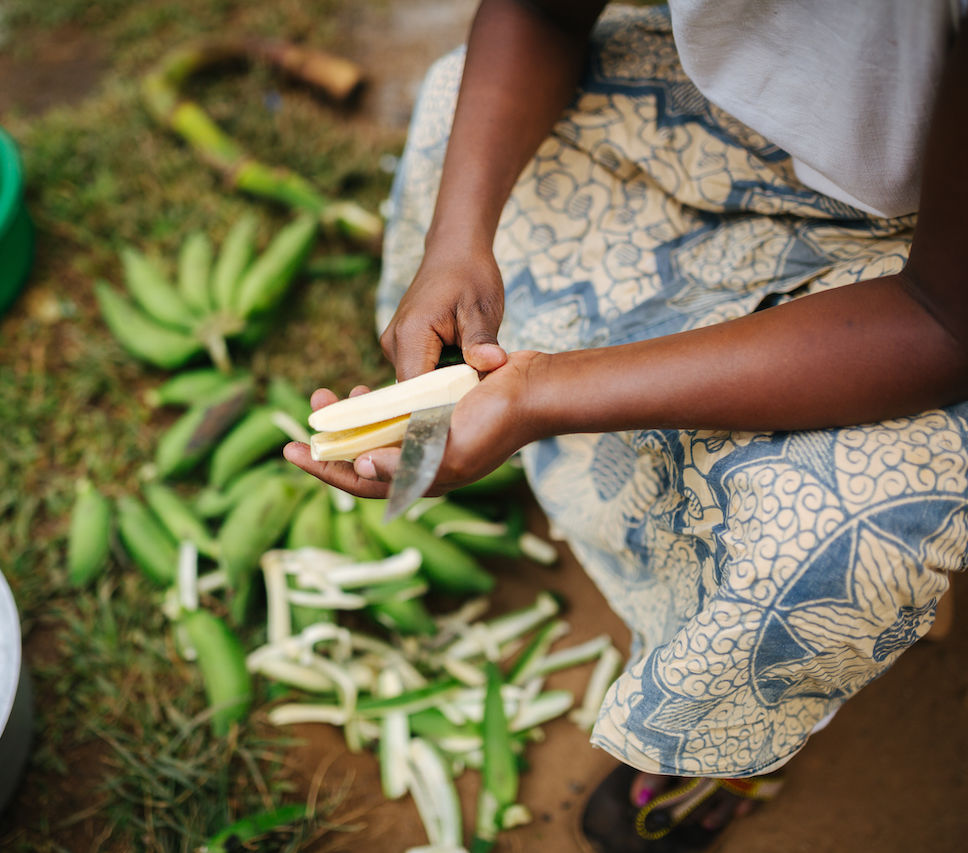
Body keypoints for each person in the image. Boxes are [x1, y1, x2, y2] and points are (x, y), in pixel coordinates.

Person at [283, 1, 968, 850]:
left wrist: (542, 394)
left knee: (835, 535)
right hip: (749, 138)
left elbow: (944, 321)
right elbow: (542, 11)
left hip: (936, 278)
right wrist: (458, 242)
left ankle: (718, 740)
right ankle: (590, 485)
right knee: (458, 106)